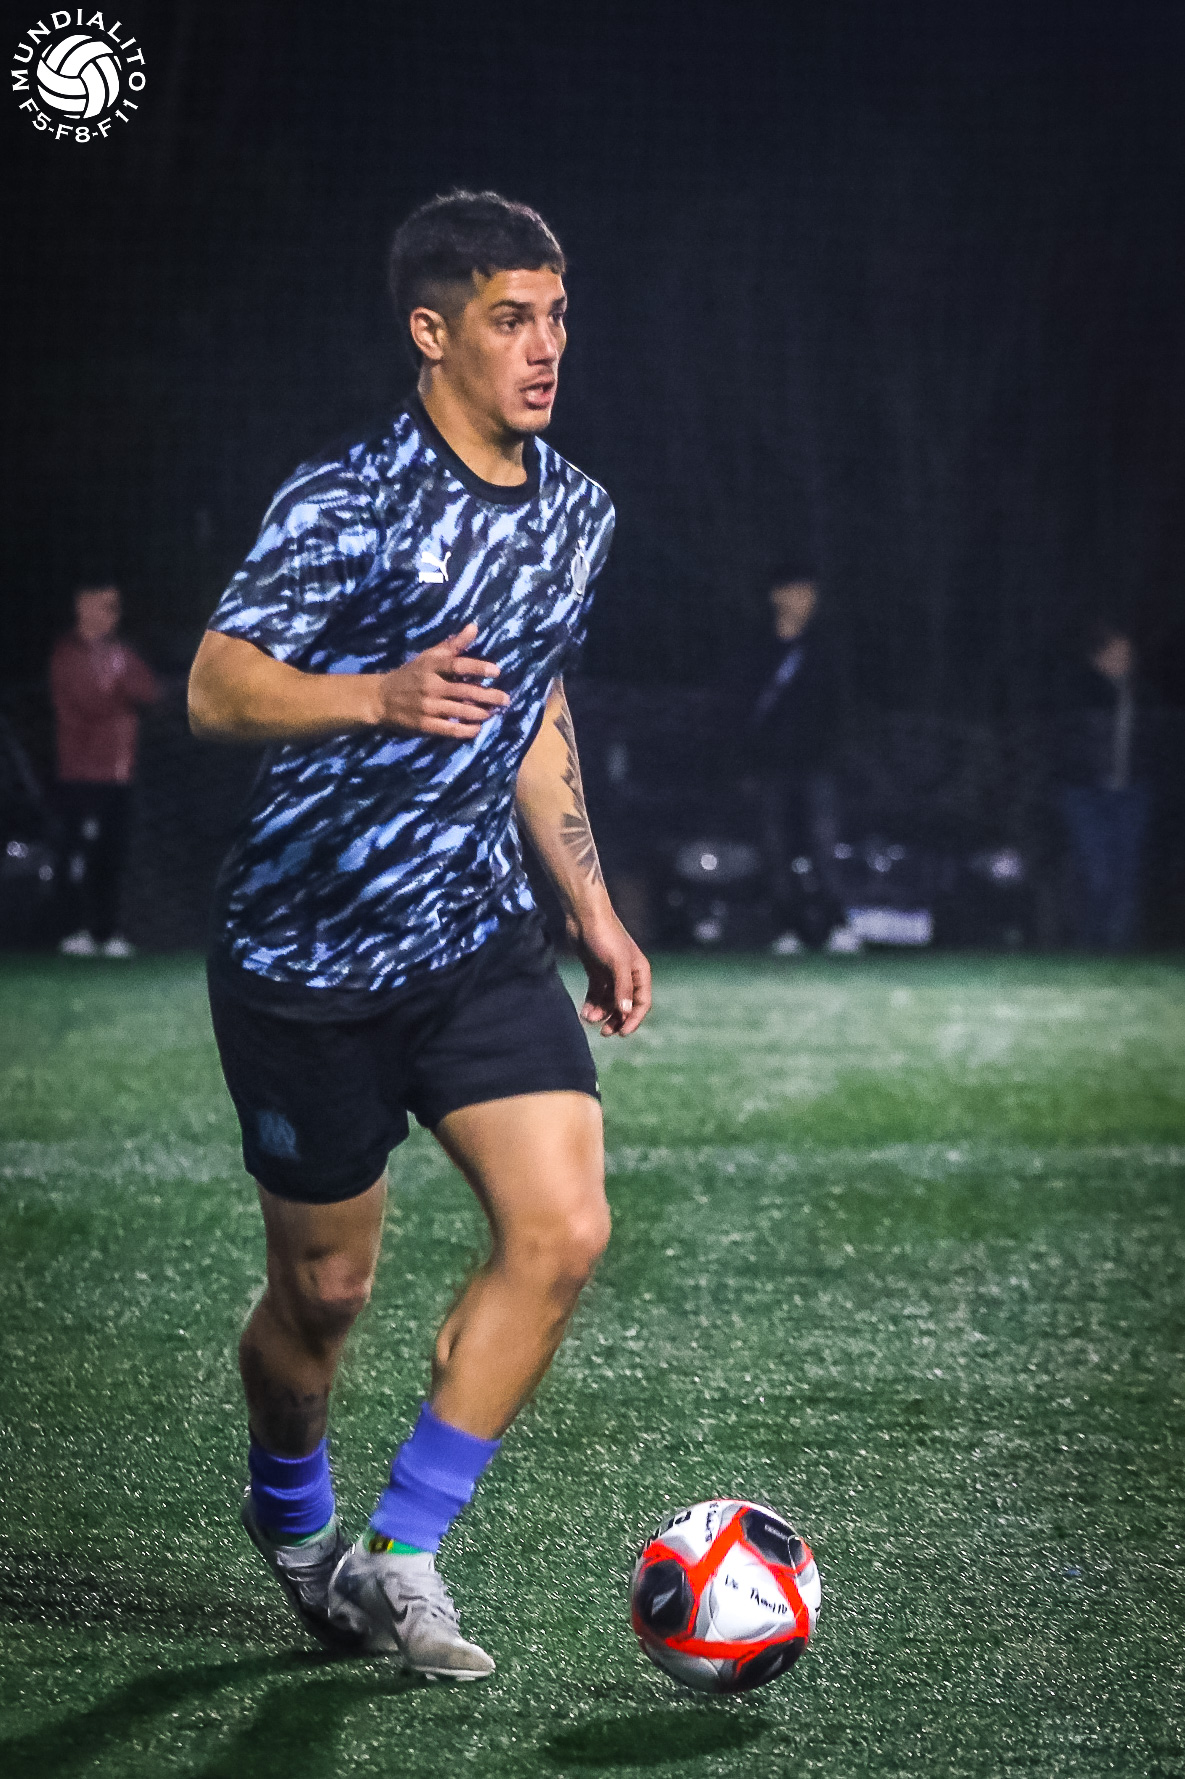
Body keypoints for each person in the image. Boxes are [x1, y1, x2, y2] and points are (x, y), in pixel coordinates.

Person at [187, 190, 651, 1680]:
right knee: (323, 1298)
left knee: (564, 1225)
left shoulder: (577, 512)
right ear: (432, 331)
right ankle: (293, 1520)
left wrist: (589, 901)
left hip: (472, 943)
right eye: (512, 319)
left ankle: (401, 1555)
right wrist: (373, 694)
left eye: (558, 316)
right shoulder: (349, 499)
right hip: (306, 958)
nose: (546, 346)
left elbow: (532, 702)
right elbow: (216, 685)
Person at [744, 569, 857, 954]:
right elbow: (740, 709)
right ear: (778, 595)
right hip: (770, 765)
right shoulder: (757, 650)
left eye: (811, 593)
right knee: (775, 848)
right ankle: (786, 928)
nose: (807, 600)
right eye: (799, 591)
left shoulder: (824, 650)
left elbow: (839, 710)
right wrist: (746, 762)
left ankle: (837, 926)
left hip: (817, 765)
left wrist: (835, 755)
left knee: (824, 845)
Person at [49, 583, 161, 957]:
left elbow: (149, 692)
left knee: (114, 855)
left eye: (116, 607)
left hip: (119, 774)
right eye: (105, 606)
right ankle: (75, 929)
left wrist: (121, 680)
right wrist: (118, 685)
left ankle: (108, 931)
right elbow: (89, 700)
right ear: (83, 608)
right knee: (81, 853)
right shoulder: (67, 654)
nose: (113, 615)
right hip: (82, 773)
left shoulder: (122, 653)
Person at [1058, 619, 1150, 950]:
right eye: (1116, 653)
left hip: (1132, 794)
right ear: (1098, 657)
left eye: (1128, 653)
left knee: (1127, 870)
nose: (1125, 660)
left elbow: (1158, 742)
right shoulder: (1079, 690)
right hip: (1087, 793)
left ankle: (1120, 947)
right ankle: (1091, 942)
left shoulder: (1144, 693)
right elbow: (1064, 742)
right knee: (1097, 869)